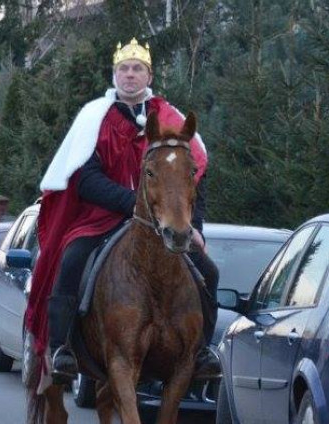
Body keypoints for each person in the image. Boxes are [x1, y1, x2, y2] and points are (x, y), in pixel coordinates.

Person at [25, 38, 220, 384]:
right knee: (70, 262)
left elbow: (196, 173)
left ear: (149, 75)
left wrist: (196, 226)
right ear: (115, 74)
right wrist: (134, 204)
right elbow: (85, 178)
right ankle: (62, 348)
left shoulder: (170, 116)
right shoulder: (94, 117)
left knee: (208, 272)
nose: (130, 75)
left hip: (161, 222)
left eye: (137, 69)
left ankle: (201, 351)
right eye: (124, 69)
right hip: (101, 218)